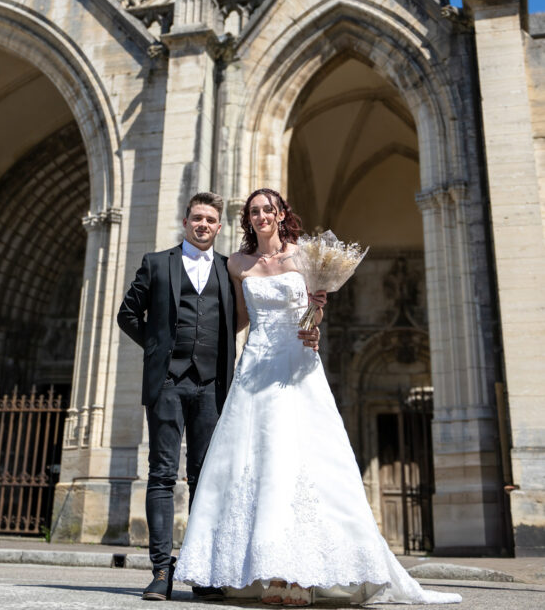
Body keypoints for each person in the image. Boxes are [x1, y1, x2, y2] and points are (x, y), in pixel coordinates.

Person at [174, 188, 461, 606]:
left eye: (267, 210)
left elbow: (315, 307)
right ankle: (271, 574)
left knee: (301, 462)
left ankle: (302, 577)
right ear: (247, 219)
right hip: (256, 365)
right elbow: (238, 317)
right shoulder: (237, 263)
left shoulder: (303, 254)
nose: (260, 217)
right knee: (258, 465)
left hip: (297, 361)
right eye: (253, 211)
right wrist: (190, 335)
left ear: (280, 214)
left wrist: (316, 319)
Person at [118, 191, 320, 602]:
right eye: (197, 218)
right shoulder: (158, 263)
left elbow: (247, 316)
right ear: (186, 221)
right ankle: (161, 571)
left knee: (206, 479)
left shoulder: (230, 269)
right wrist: (158, 351)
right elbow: (127, 314)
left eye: (210, 219)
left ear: (220, 226)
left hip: (213, 386)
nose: (203, 225)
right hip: (168, 384)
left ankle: (203, 572)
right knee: (161, 475)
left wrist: (310, 322)